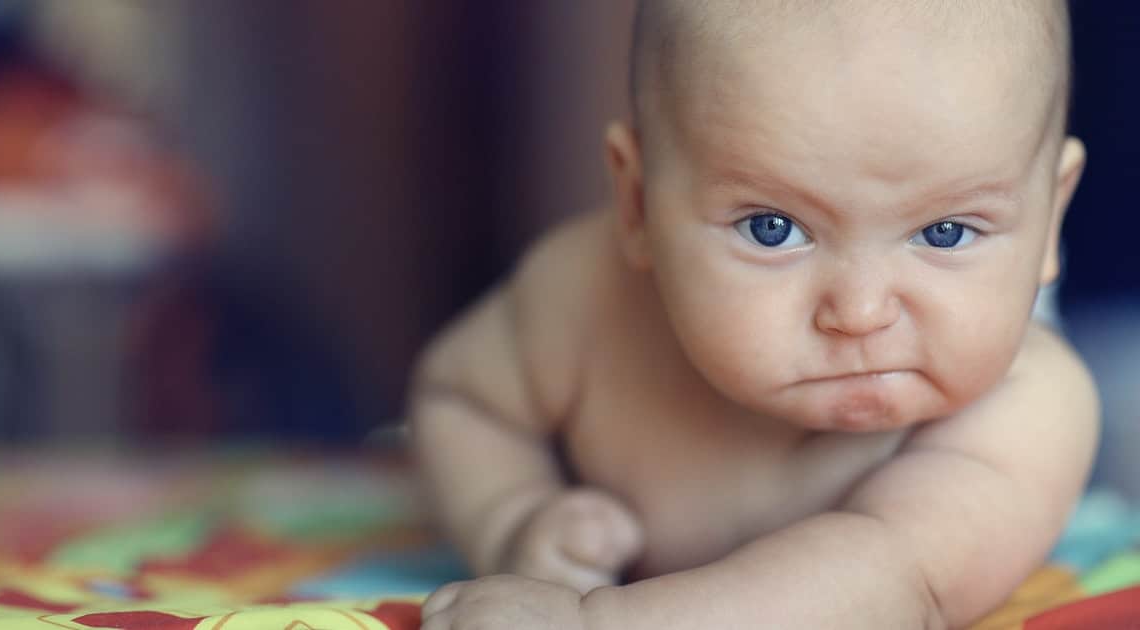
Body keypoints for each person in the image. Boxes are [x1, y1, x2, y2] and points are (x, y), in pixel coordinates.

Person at [409, 1, 1099, 627]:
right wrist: (511, 515)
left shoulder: (1026, 408)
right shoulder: (586, 297)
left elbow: (883, 579)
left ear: (1048, 218)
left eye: (945, 232)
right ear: (639, 202)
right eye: (772, 228)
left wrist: (594, 622)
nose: (859, 313)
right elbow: (460, 398)